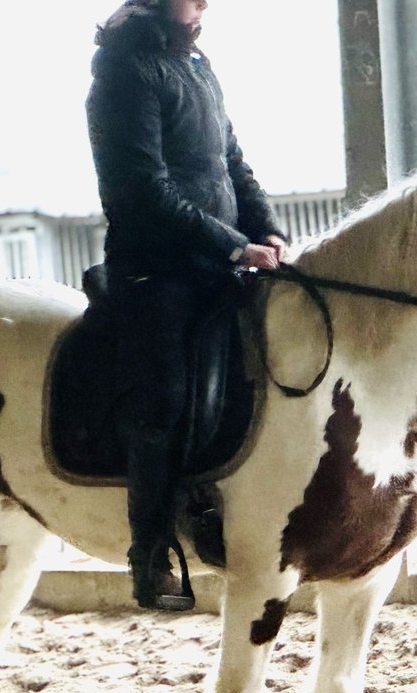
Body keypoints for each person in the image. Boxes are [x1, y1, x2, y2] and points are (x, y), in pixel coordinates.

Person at [86, 0, 288, 611]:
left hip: (219, 262)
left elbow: (231, 162)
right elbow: (144, 190)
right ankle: (150, 553)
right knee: (165, 399)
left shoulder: (197, 63)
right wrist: (234, 246)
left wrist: (267, 229)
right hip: (157, 270)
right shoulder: (122, 74)